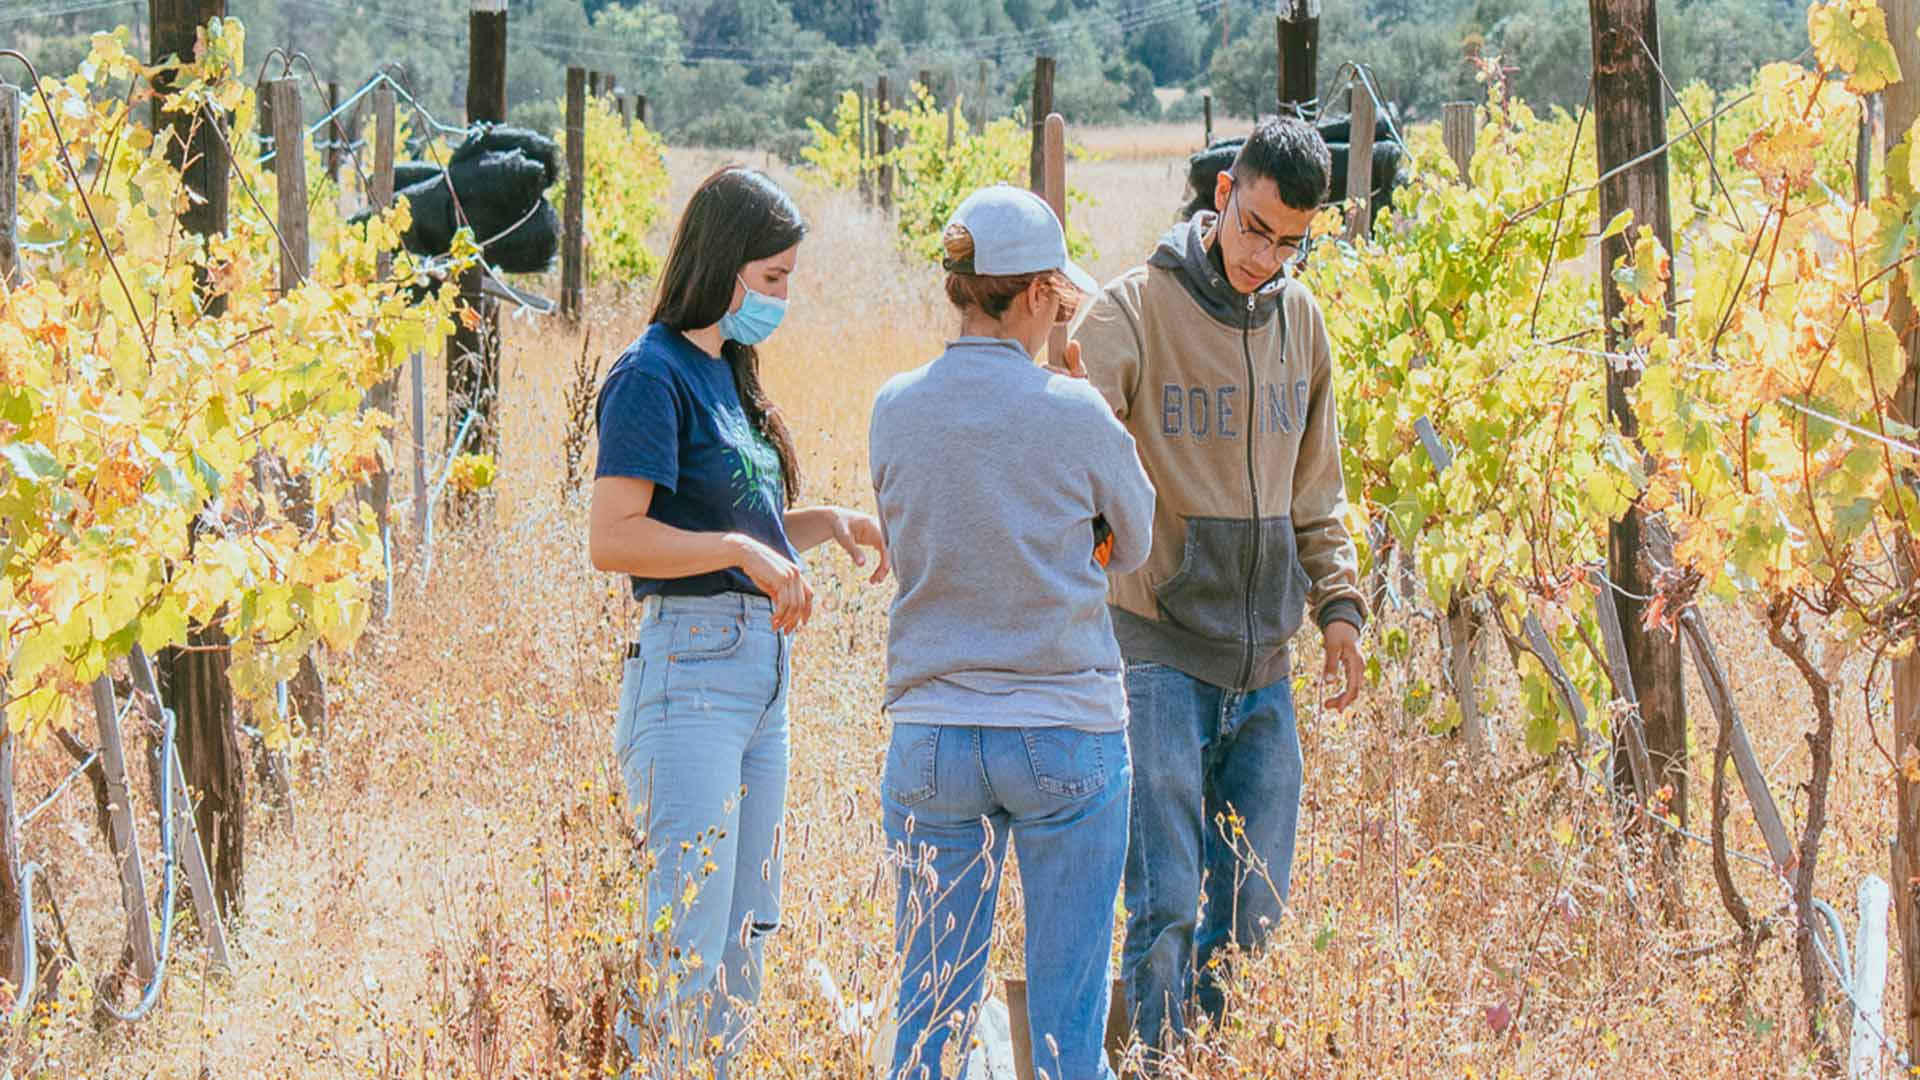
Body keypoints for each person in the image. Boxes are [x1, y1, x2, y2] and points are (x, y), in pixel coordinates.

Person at [1068, 116, 1369, 1059]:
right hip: (1157, 647)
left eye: (1291, 242)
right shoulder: (1133, 309)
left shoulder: (1302, 320)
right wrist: (1102, 535)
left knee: (1257, 905)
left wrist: (1340, 611)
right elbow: (1068, 436)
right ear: (1224, 192)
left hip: (1266, 662)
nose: (1266, 256)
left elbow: (1318, 486)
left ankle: (1221, 1058)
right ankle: (1156, 1063)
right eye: (1256, 228)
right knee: (1163, 901)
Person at [588, 166, 890, 1078]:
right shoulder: (651, 375)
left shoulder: (729, 372)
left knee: (743, 937)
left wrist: (822, 526)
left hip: (759, 683)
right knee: (685, 931)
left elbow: (736, 533)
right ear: (723, 268)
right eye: (772, 280)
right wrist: (743, 551)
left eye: (789, 279)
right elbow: (617, 539)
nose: (782, 299)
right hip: (690, 677)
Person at [868, 184, 1156, 1080]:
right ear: (1034, 294)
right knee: (1070, 1025)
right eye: (1058, 298)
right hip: (1063, 727)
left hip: (932, 738)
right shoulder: (1074, 412)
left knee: (930, 1013)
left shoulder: (894, 406)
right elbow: (1137, 538)